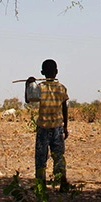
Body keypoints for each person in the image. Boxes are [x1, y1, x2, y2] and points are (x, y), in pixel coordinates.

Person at [26, 58, 70, 192]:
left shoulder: (40, 88)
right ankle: (62, 182)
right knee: (58, 156)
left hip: (43, 127)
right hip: (57, 127)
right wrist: (65, 127)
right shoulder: (61, 88)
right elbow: (65, 108)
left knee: (41, 157)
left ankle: (41, 185)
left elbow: (28, 100)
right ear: (56, 72)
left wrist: (28, 85)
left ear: (42, 72)